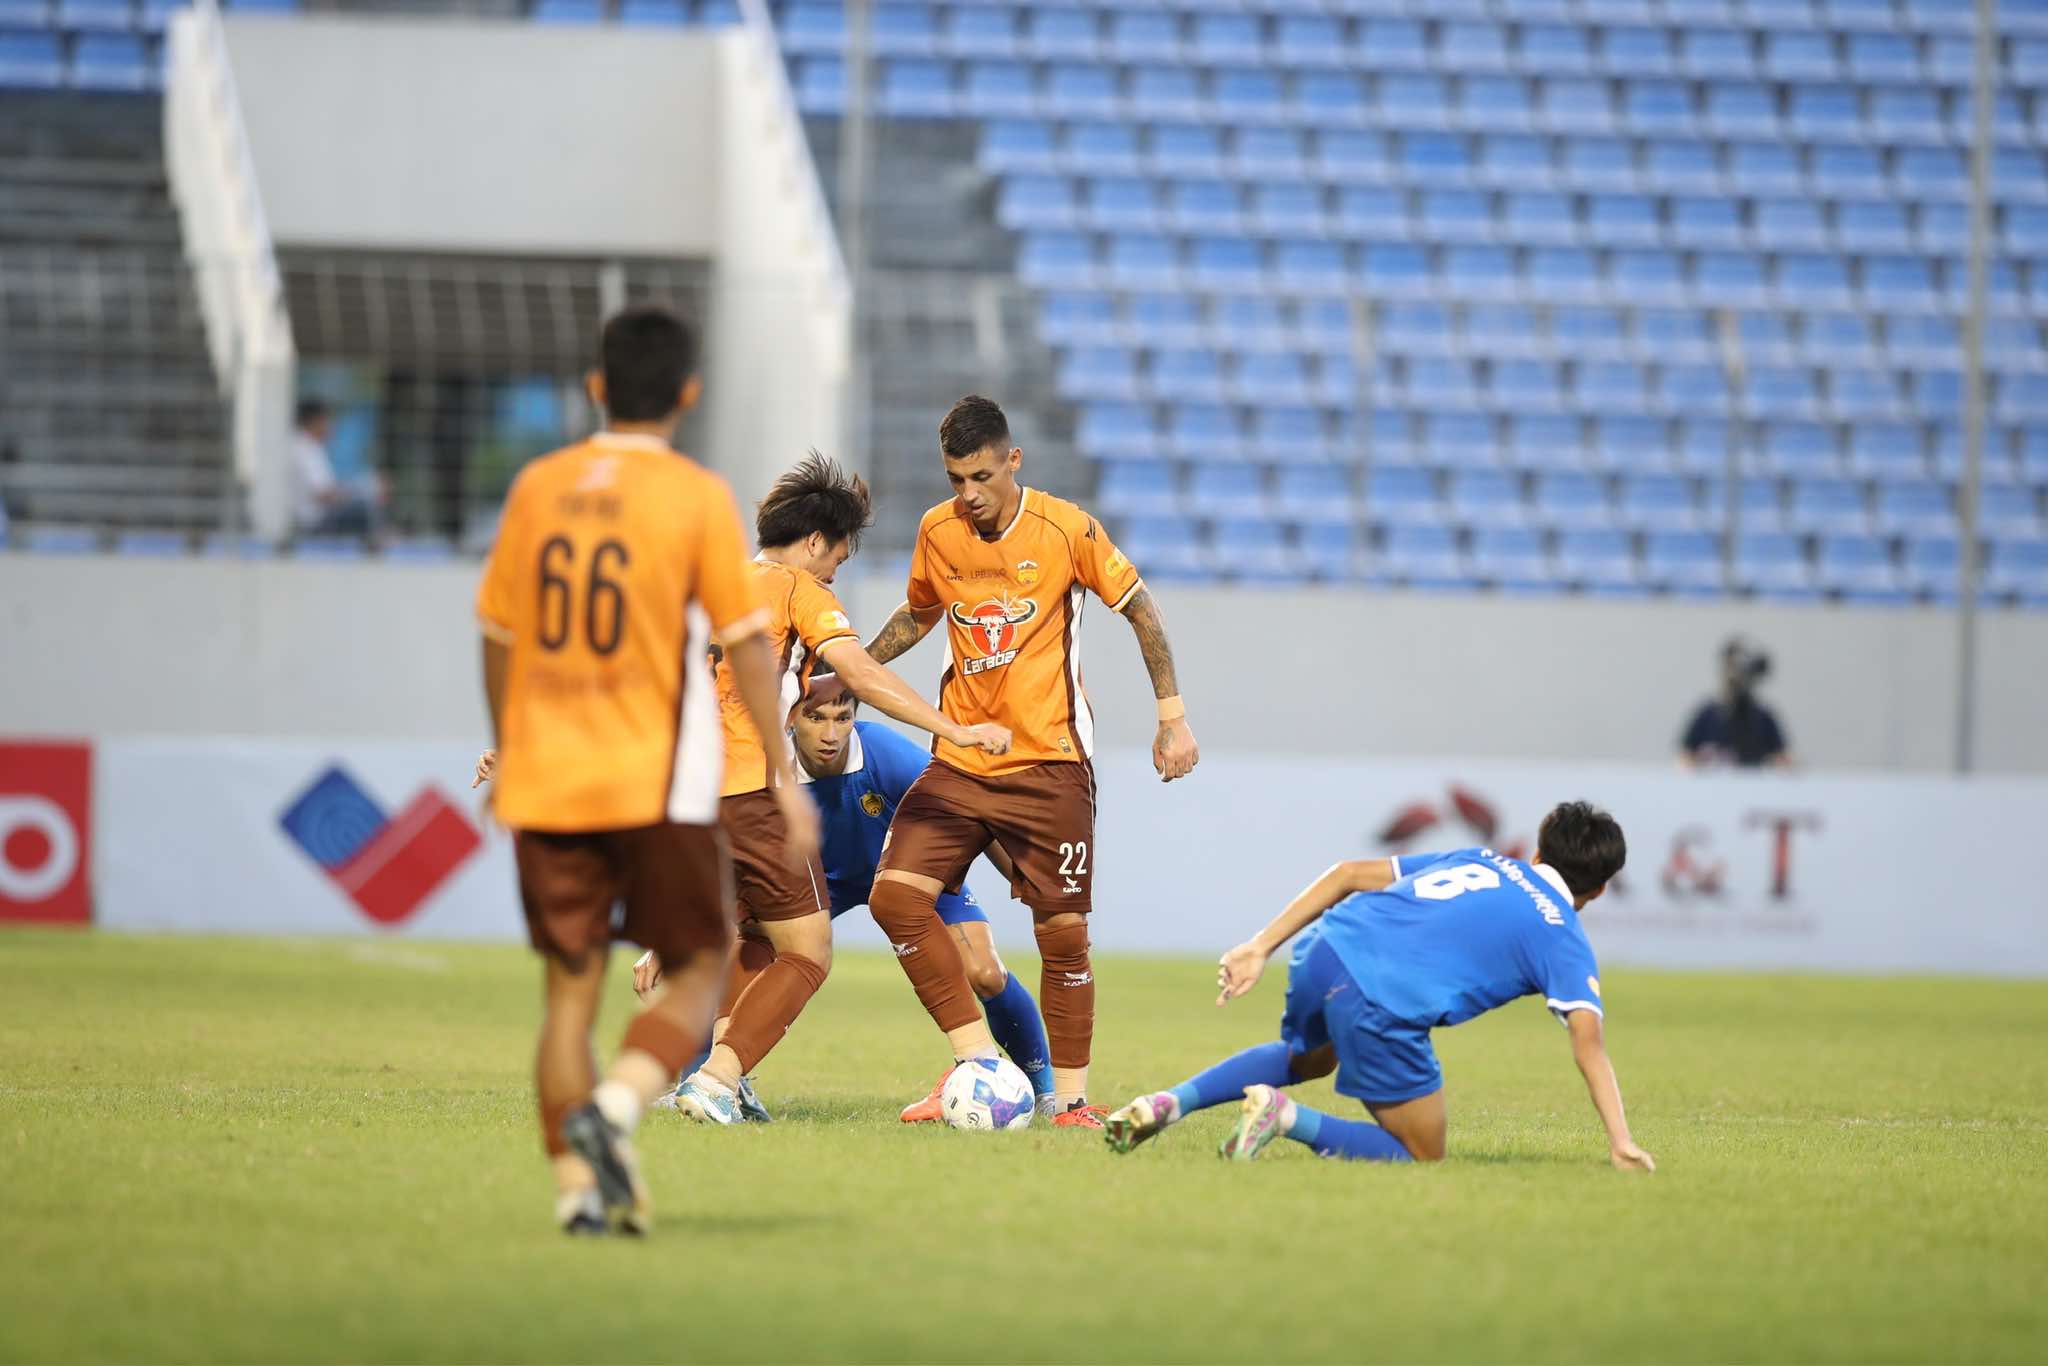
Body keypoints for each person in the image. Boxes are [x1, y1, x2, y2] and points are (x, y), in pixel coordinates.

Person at [473, 304, 819, 1235]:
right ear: (688, 395)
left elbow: (500, 636)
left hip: (548, 781)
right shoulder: (695, 497)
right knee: (703, 967)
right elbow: (748, 647)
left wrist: (508, 745)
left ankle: (580, 1195)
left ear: (596, 387)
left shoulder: (538, 488)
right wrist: (785, 780)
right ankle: (619, 1105)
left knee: (568, 999)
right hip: (655, 781)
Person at [862, 394, 1200, 1129]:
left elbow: (1140, 607)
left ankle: (1070, 1103)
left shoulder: (1065, 528)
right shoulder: (937, 532)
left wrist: (1171, 717)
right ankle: (979, 1064)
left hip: (1049, 766)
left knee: (1064, 936)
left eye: (981, 476)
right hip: (960, 763)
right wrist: (851, 669)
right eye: (956, 479)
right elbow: (920, 612)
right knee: (894, 898)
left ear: (1013, 460)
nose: (968, 495)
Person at [660, 452, 1014, 1126]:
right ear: (817, 541)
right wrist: (953, 730)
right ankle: (714, 1079)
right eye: (837, 560)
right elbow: (860, 673)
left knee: (754, 935)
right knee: (809, 952)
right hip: (747, 796)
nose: (832, 573)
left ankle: (716, 1079)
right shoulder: (798, 590)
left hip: (685, 803)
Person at [1104, 802, 1656, 1173]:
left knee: (1310, 1058)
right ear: (1601, 888)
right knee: (1422, 1152)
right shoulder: (1564, 935)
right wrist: (1621, 1140)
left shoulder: (1481, 858)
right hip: (1380, 998)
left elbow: (1346, 873)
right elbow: (1589, 1044)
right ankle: (1285, 1117)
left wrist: (1260, 946)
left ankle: (1168, 1102)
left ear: (1537, 854)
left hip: (1325, 950)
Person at [633, 671, 1056, 1121]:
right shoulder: (760, 770)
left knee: (986, 972)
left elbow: (967, 808)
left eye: (843, 717)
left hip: (902, 875)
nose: (831, 734)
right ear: (793, 717)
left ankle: (1042, 1087)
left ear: (856, 717)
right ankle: (710, 1081)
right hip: (816, 884)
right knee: (741, 948)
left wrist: (1024, 877)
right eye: (817, 718)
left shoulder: (883, 752)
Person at [1680, 637, 1792, 769]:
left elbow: (1784, 759)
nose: (1735, 676)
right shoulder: (1707, 715)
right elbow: (1685, 757)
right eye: (1731, 667)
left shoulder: (1763, 717)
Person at [290, 399, 382, 537]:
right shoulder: (304, 449)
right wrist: (364, 489)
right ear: (315, 421)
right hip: (313, 524)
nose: (332, 426)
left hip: (318, 519)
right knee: (364, 508)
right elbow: (324, 496)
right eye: (328, 421)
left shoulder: (309, 447)